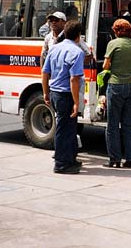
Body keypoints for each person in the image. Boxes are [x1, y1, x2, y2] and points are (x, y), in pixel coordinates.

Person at [42, 20, 85, 174]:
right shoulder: (77, 52)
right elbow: (74, 79)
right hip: (66, 95)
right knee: (65, 130)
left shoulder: (54, 49)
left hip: (54, 93)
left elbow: (45, 72)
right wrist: (76, 102)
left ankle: (70, 159)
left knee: (69, 129)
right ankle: (61, 164)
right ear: (78, 36)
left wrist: (46, 92)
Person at [103, 18, 131, 168]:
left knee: (112, 125)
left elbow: (106, 65)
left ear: (117, 31)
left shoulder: (113, 44)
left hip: (116, 86)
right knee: (128, 124)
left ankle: (114, 159)